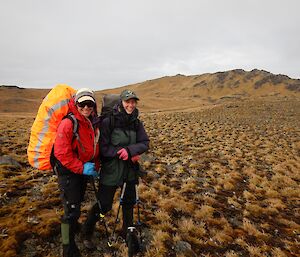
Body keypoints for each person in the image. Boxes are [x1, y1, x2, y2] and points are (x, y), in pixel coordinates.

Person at [82, 89, 150, 250]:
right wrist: (123, 153)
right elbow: (104, 148)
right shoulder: (109, 122)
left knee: (128, 203)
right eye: (128, 102)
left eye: (133, 102)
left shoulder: (136, 122)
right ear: (121, 102)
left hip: (130, 170)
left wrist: (131, 151)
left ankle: (127, 233)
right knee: (104, 205)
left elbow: (144, 142)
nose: (131, 105)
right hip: (111, 169)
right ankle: (87, 231)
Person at [52, 88, 100, 257]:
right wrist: (82, 167)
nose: (86, 107)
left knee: (76, 206)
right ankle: (67, 247)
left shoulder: (90, 123)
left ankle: (73, 231)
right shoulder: (68, 123)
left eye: (90, 104)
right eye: (82, 104)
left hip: (81, 171)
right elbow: (61, 153)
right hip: (68, 173)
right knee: (71, 211)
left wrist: (95, 166)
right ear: (76, 104)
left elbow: (92, 148)